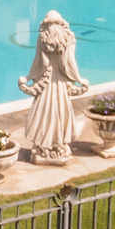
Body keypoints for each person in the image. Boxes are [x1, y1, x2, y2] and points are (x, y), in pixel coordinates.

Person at [20, 10, 89, 164]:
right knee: (60, 112)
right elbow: (69, 63)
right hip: (60, 84)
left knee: (44, 113)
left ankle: (44, 146)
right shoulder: (68, 37)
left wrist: (28, 78)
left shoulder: (43, 37)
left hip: (46, 84)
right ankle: (58, 145)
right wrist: (78, 79)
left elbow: (39, 63)